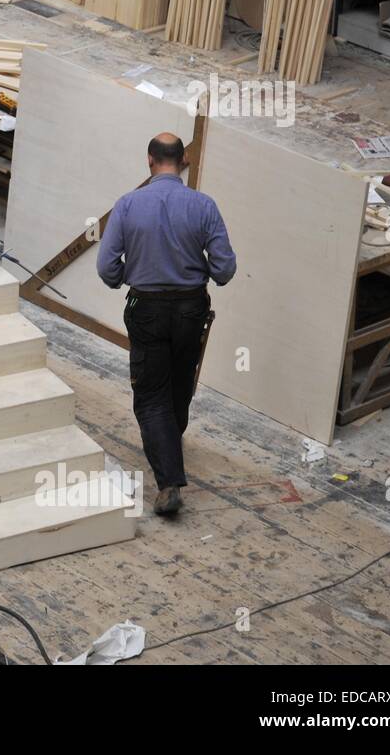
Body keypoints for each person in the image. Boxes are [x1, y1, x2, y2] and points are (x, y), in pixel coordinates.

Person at [96, 133, 237, 517]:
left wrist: (132, 272)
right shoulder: (203, 206)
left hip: (148, 309)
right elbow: (225, 269)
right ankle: (171, 447)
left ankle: (169, 482)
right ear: (183, 160)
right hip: (192, 309)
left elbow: (107, 269)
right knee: (179, 382)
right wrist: (197, 270)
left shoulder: (127, 205)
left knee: (152, 394)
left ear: (150, 160)